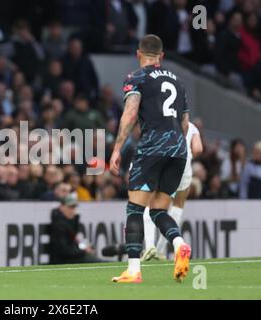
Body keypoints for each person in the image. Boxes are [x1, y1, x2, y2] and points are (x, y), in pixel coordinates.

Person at [109, 34, 191, 283]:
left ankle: (133, 270)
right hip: (178, 150)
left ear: (138, 53)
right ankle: (179, 244)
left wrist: (117, 148)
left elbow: (130, 113)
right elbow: (185, 123)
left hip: (152, 147)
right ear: (162, 56)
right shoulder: (178, 81)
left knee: (135, 207)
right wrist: (175, 145)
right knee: (158, 210)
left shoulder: (137, 78)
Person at [141, 121, 203, 261]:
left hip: (165, 167)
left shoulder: (162, 122)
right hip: (184, 168)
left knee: (151, 205)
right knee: (177, 207)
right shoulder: (191, 126)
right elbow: (198, 149)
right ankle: (162, 250)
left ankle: (150, 246)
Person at [49, 193, 106, 265]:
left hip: (71, 257)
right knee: (100, 263)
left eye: (74, 207)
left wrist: (83, 249)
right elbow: (64, 250)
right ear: (62, 207)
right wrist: (83, 251)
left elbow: (72, 244)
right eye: (70, 207)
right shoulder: (59, 225)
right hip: (65, 259)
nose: (73, 210)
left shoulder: (67, 222)